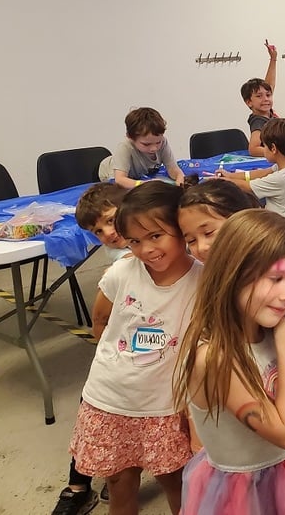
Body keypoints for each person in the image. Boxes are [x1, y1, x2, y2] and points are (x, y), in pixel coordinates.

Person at [174, 210, 285, 515]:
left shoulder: (271, 329)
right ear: (233, 273)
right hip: (240, 491)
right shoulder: (216, 357)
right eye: (276, 278)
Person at [69, 182, 201, 515]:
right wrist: (122, 365)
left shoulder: (203, 280)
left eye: (156, 236)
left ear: (180, 229)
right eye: (135, 241)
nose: (146, 250)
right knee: (119, 483)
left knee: (177, 481)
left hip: (167, 405)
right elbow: (100, 322)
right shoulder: (121, 271)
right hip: (110, 400)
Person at [178, 179, 285, 364]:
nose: (201, 247)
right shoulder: (201, 281)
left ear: (245, 223)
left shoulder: (268, 269)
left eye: (209, 233)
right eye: (191, 241)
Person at [51, 183, 132, 515]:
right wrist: (111, 355)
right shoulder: (119, 265)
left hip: (161, 351)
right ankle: (79, 483)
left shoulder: (159, 246)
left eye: (112, 221)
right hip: (120, 351)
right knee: (96, 412)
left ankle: (125, 472)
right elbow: (100, 320)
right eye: (98, 231)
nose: (108, 233)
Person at [215, 118, 285, 234]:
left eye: (264, 146)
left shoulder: (282, 179)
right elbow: (260, 173)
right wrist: (230, 176)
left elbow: (247, 187)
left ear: (273, 148)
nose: (263, 149)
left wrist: (222, 181)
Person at [98, 107, 185, 188]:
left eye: (158, 142)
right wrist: (144, 184)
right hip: (111, 173)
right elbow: (120, 180)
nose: (154, 148)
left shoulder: (163, 142)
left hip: (140, 174)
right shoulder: (125, 146)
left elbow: (173, 168)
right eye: (146, 144)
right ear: (130, 138)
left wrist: (179, 180)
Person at [241, 40, 279, 157]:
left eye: (268, 95)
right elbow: (253, 149)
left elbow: (269, 85)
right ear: (249, 102)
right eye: (259, 96)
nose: (266, 99)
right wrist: (278, 153)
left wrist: (273, 59)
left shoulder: (268, 114)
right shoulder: (259, 121)